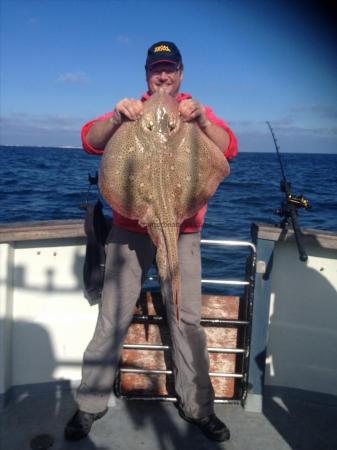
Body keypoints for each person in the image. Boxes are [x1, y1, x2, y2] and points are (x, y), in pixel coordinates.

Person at [65, 41, 238, 443]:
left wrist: (202, 124)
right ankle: (90, 403)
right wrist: (115, 116)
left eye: (170, 69)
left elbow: (229, 149)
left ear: (181, 73)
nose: (163, 76)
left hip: (184, 231)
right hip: (129, 230)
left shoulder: (197, 112)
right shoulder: (133, 111)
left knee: (186, 318)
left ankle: (198, 408)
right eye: (156, 69)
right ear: (147, 74)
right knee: (111, 318)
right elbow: (91, 140)